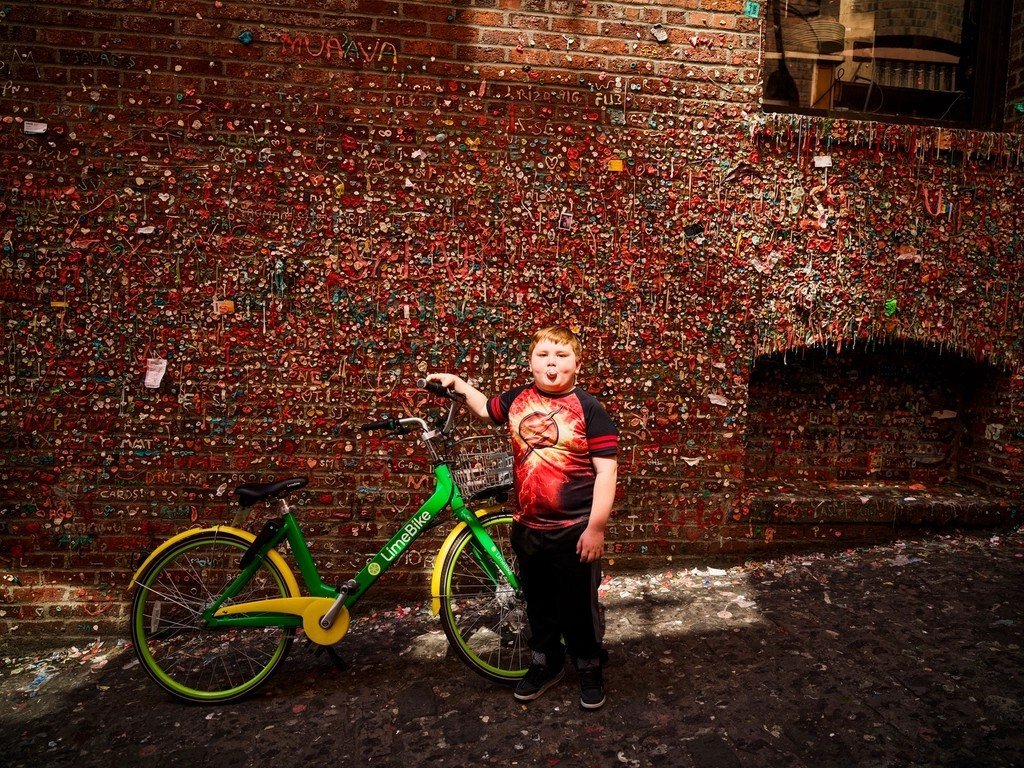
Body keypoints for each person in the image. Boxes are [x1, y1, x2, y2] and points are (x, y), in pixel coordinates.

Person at [427, 325, 618, 710]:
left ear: (577, 364)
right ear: (530, 362)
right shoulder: (517, 399)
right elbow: (485, 409)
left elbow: (607, 472)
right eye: (543, 355)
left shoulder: (590, 409)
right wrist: (458, 384)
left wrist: (596, 527)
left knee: (578, 606)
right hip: (528, 526)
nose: (552, 363)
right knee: (537, 602)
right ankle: (546, 662)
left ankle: (588, 665)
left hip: (575, 530)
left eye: (561, 356)